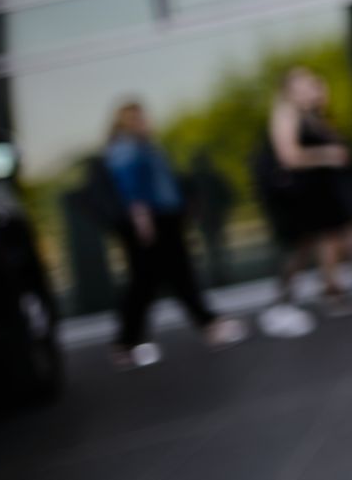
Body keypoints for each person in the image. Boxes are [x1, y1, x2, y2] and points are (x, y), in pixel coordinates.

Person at [263, 66, 352, 331]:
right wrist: (328, 154)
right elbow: (289, 156)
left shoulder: (310, 114)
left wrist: (321, 98)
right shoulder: (286, 113)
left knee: (347, 237)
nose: (310, 85)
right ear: (289, 90)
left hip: (321, 192)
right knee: (303, 248)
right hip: (302, 195)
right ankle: (282, 304)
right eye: (303, 83)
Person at [101, 100, 246, 368]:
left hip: (164, 219)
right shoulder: (125, 147)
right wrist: (142, 219)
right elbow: (130, 185)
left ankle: (204, 325)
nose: (146, 121)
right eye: (139, 117)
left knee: (173, 276)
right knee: (149, 281)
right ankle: (126, 343)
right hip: (151, 222)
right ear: (128, 121)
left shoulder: (144, 145)